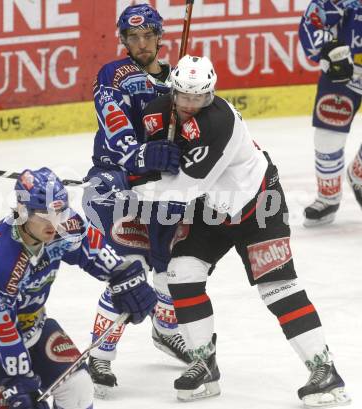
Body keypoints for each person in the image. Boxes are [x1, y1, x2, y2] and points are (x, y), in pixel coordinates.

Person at [130, 55, 351, 407]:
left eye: (198, 97)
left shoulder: (220, 121)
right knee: (182, 272)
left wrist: (133, 188)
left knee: (277, 288)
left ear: (211, 94)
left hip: (257, 206)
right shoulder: (160, 111)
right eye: (183, 96)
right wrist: (141, 161)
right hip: (213, 207)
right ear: (173, 91)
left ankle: (324, 369)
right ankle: (204, 362)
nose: (189, 105)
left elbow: (185, 187)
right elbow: (139, 158)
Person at [0, 167, 157, 409]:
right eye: (44, 214)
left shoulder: (66, 225)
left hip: (31, 328)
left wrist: (127, 279)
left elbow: (97, 255)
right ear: (23, 212)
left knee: (78, 388)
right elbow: (0, 328)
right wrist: (20, 380)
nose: (54, 223)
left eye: (59, 211)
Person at [83, 3, 189, 397]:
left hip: (163, 188)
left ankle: (166, 329)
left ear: (160, 38)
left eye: (148, 36)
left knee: (173, 264)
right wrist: (142, 156)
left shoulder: (178, 79)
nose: (142, 44)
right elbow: (116, 129)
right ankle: (99, 356)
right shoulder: (115, 74)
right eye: (133, 38)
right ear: (123, 40)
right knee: (130, 267)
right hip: (117, 183)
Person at [299, 0, 362, 226]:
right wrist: (330, 49)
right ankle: (328, 198)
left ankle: (360, 173)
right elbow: (312, 22)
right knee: (328, 138)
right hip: (344, 72)